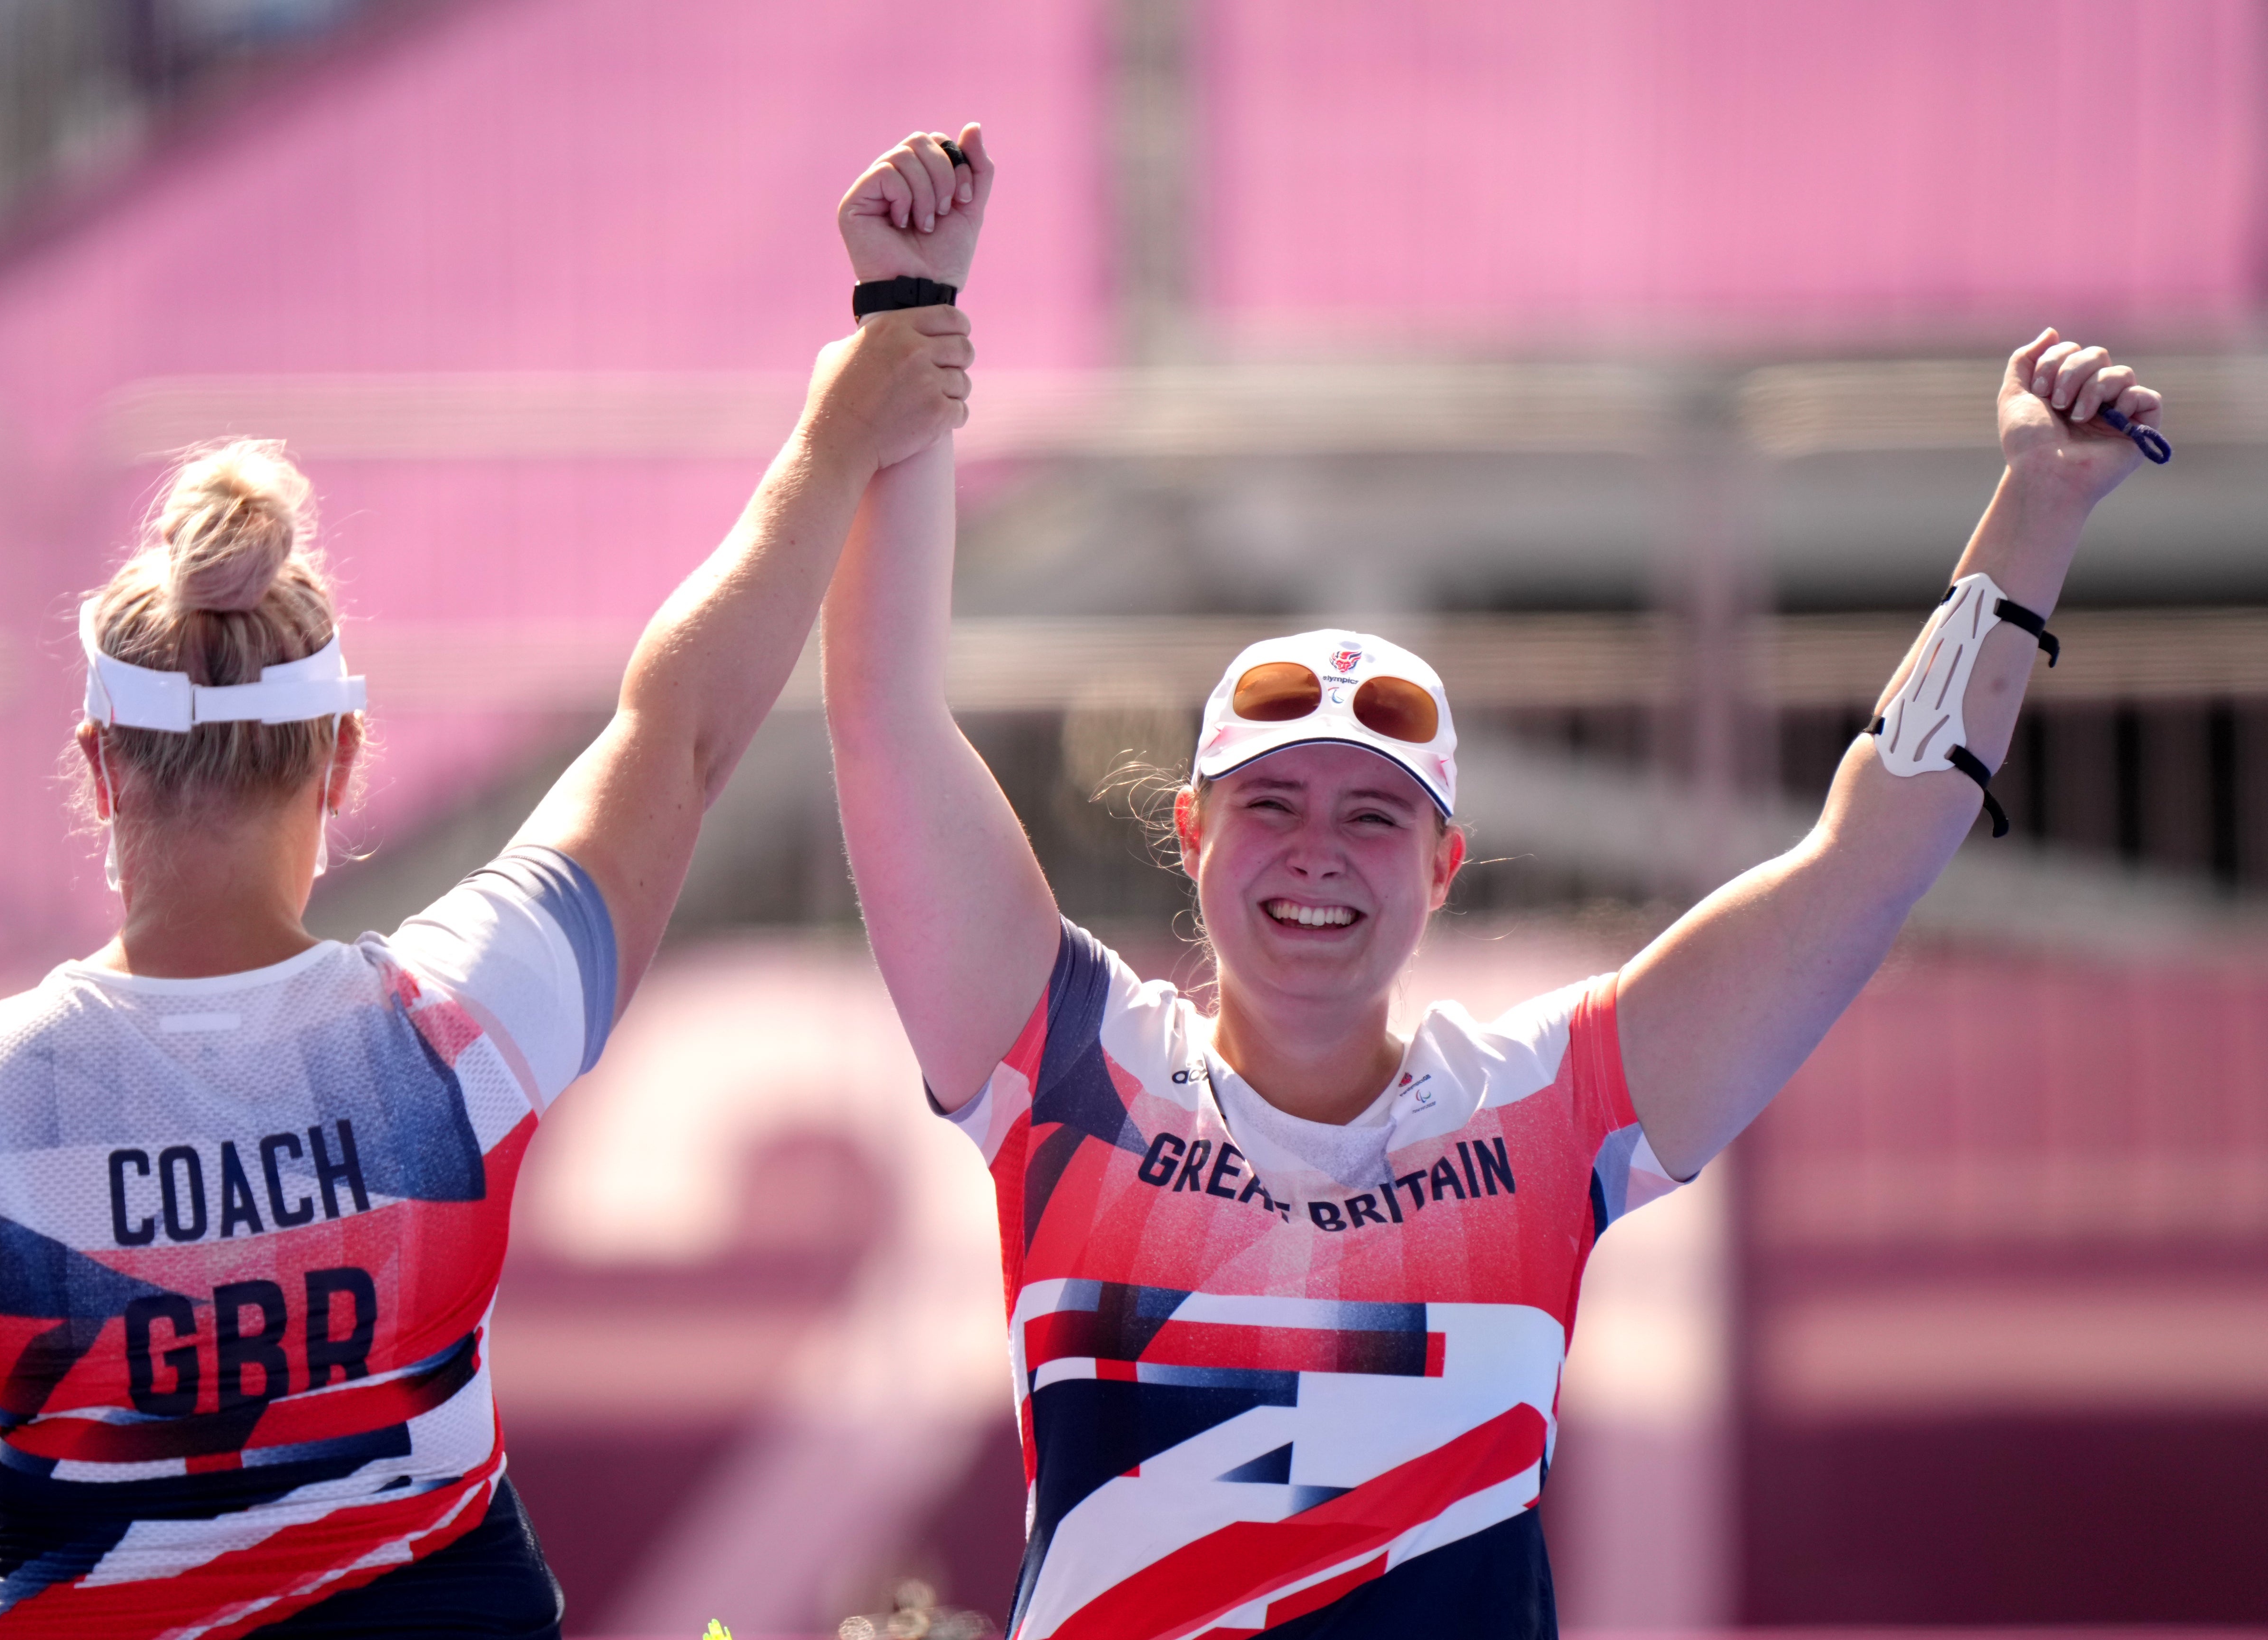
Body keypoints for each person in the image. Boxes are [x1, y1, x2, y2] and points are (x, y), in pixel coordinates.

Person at [822, 132, 2161, 1639]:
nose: (1320, 845)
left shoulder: (1553, 1106)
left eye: (1376, 815)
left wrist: (2036, 515)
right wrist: (910, 308)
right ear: (1189, 834)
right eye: (1270, 803)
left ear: (1442, 863)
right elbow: (878, 709)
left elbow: (1865, 859)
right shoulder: (1066, 1059)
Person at [0, 145, 972, 1637]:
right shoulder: (458, 1025)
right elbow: (676, 728)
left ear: (97, 765)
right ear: (344, 761)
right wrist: (848, 410)